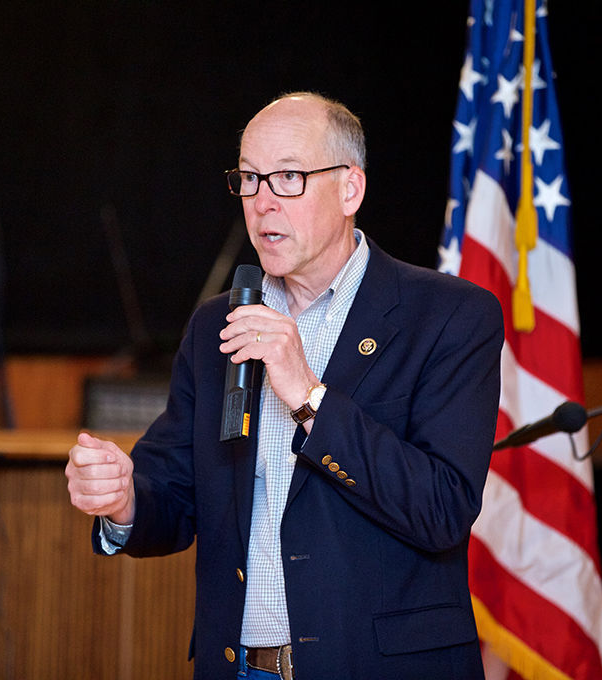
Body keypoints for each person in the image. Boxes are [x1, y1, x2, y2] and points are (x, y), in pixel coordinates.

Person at [66, 92, 503, 679]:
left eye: (288, 177)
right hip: (241, 668)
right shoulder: (215, 326)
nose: (263, 202)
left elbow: (442, 509)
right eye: (248, 180)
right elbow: (174, 495)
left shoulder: (449, 316)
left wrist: (309, 398)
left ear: (351, 189)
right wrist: (124, 500)